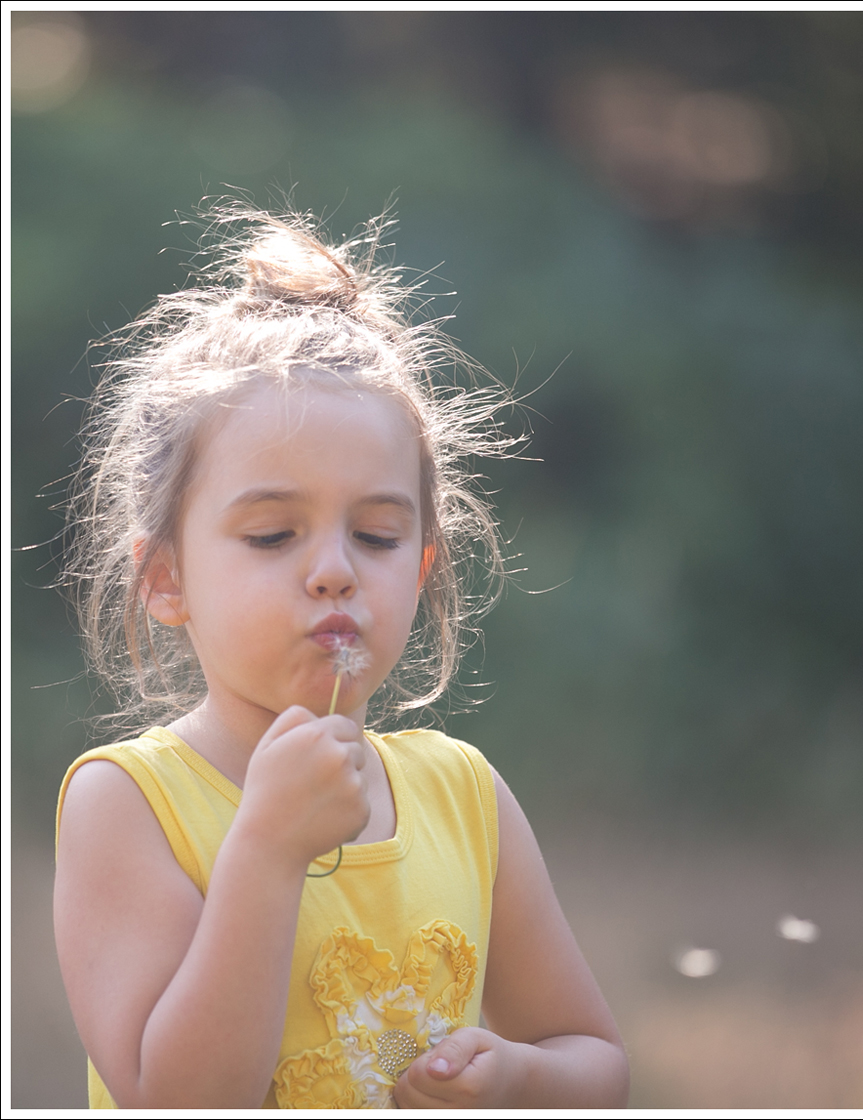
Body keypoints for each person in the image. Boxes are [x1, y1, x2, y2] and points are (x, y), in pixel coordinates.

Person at [54, 204, 629, 1109]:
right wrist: (267, 850)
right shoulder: (128, 804)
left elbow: (594, 1059)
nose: (334, 571)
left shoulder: (464, 797)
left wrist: (516, 1078)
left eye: (376, 535)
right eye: (273, 534)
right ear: (166, 579)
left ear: (423, 566)